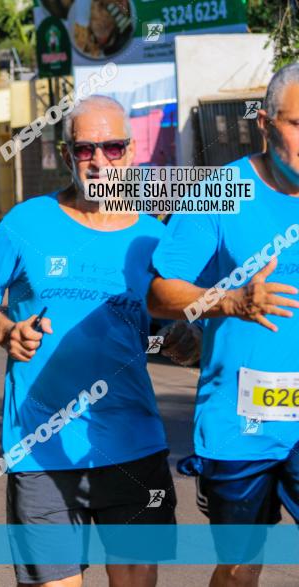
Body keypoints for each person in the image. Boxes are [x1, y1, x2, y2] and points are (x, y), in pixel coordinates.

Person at [0, 96, 184, 587]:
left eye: (113, 148)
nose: (100, 161)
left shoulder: (153, 238)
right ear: (66, 156)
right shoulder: (27, 222)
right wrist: (4, 330)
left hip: (132, 444)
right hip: (40, 449)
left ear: (131, 152)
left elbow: (171, 336)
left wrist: (193, 337)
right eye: (85, 149)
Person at [148, 63, 299, 587]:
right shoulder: (221, 190)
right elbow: (161, 292)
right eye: (298, 124)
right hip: (241, 423)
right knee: (240, 567)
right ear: (264, 121)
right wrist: (230, 302)